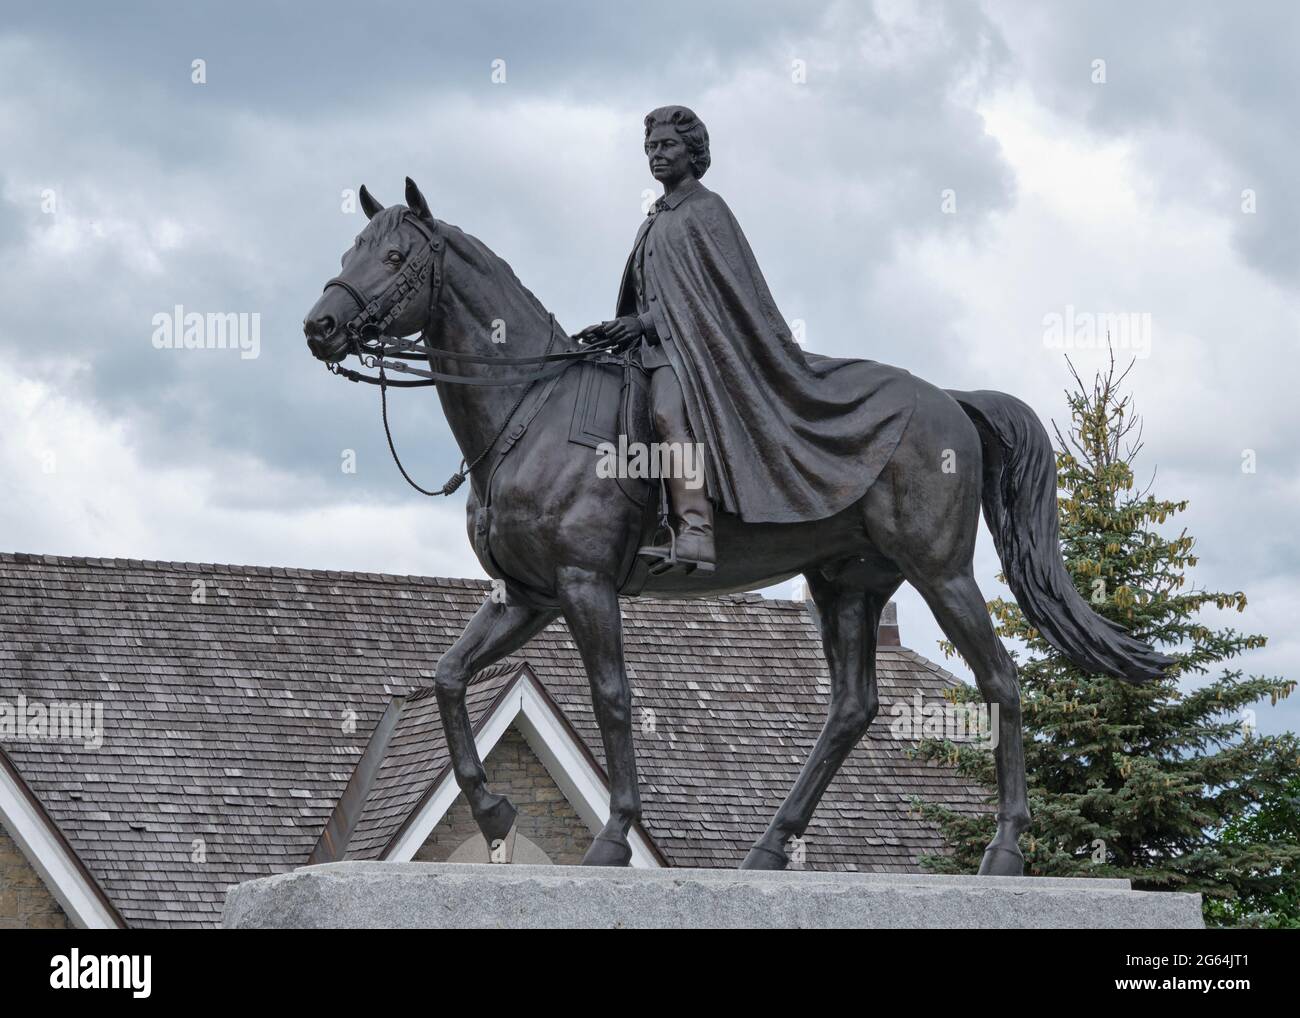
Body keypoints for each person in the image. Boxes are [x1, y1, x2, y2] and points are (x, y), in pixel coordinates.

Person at [579, 105, 916, 575]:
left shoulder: (706, 211)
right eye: (651, 147)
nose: (657, 155)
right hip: (652, 350)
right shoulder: (653, 220)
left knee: (666, 413)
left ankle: (695, 531)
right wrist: (619, 328)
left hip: (694, 353)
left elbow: (715, 302)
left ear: (692, 152)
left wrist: (643, 324)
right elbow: (650, 296)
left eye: (667, 145)